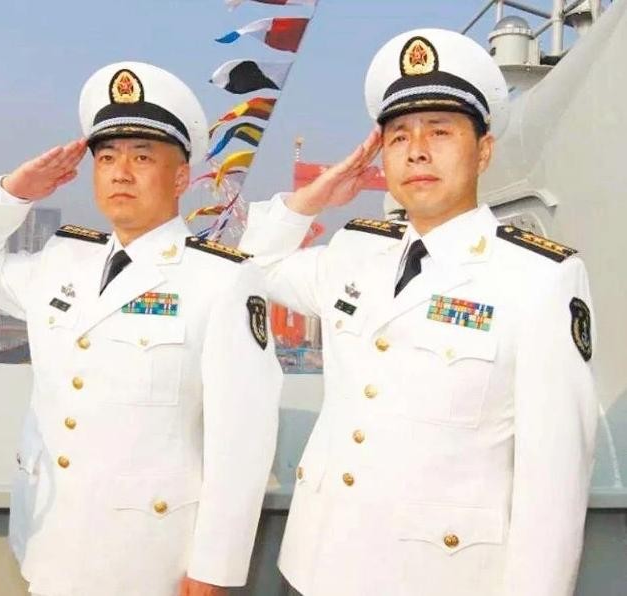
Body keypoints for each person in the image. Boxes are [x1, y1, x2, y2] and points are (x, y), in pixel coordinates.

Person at [239, 28, 598, 596]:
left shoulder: (540, 278)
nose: (418, 150)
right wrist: (314, 197)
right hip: (313, 569)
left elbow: (554, 484)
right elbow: (253, 269)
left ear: (483, 150)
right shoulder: (356, 251)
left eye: (440, 130)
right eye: (399, 136)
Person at [0, 61, 282, 596]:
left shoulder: (222, 280)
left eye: (141, 157)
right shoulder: (63, 260)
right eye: (106, 158)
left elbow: (242, 438)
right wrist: (13, 193)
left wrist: (214, 567)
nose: (120, 173)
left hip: (147, 558)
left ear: (180, 178)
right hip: (48, 542)